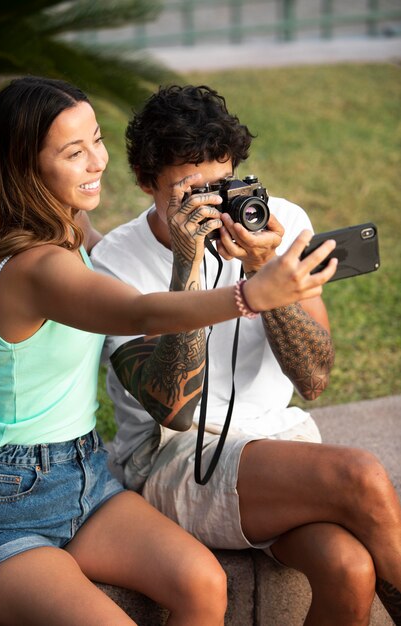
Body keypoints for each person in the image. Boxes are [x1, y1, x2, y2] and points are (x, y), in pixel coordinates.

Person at [0, 76, 340, 626]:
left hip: (85, 476)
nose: (96, 162)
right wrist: (252, 292)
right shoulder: (36, 267)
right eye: (73, 152)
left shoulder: (69, 231)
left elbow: (110, 253)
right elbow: (138, 311)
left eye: (96, 140)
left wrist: (234, 252)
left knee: (204, 584)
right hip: (5, 502)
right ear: (23, 167)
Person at [91, 84, 401, 626]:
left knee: (349, 569)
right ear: (145, 184)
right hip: (175, 460)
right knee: (360, 474)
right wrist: (187, 261)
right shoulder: (117, 263)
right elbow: (175, 411)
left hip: (277, 442)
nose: (213, 207)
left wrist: (263, 269)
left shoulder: (274, 220)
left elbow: (315, 377)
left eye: (223, 184)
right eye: (189, 192)